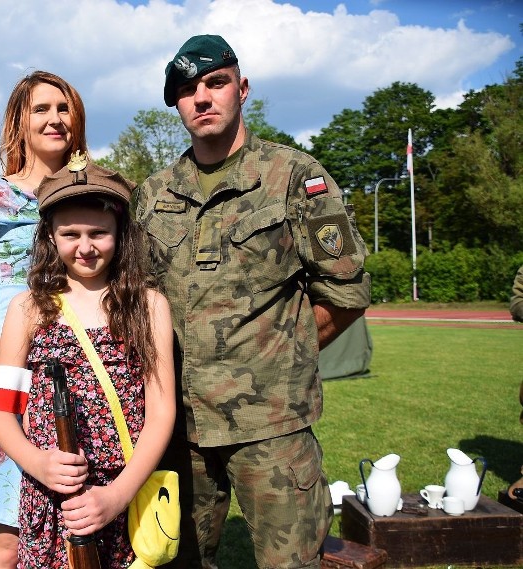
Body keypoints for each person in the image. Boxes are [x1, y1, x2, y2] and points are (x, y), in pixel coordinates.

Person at [135, 35, 371, 568]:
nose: (202, 98)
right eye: (187, 90)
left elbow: (346, 291)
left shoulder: (295, 178)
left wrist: (279, 357)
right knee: (169, 560)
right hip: (177, 429)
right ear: (176, 105)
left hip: (272, 428)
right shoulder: (153, 195)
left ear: (241, 89)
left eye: (216, 83)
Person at [0, 159, 175, 568]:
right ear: (50, 237)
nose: (85, 247)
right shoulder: (28, 308)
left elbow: (162, 412)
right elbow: (0, 409)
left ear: (121, 234)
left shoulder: (149, 305)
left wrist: (117, 496)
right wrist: (36, 461)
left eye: (99, 233)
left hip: (123, 495)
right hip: (52, 499)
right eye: (70, 234)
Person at [0, 70, 88, 567]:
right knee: (7, 538)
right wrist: (13, 362)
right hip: (8, 373)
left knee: (80, 530)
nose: (54, 119)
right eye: (41, 109)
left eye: (63, 108)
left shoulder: (92, 190)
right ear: (19, 122)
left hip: (83, 368)